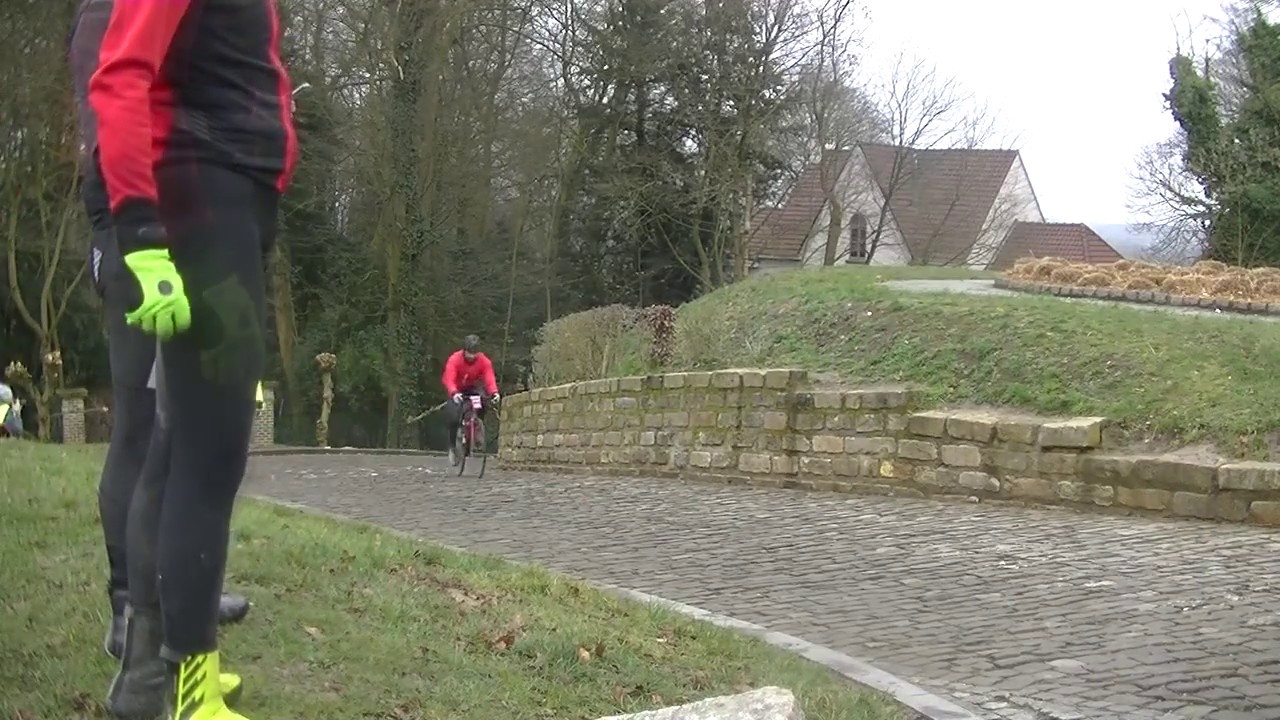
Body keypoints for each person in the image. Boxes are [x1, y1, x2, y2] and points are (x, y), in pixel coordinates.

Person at [81, 0, 297, 715]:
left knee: (184, 449)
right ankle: (189, 693)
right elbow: (119, 77)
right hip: (199, 196)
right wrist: (140, 234)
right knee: (208, 456)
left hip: (229, 200)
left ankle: (159, 677)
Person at [442, 335, 500, 463]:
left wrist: (494, 392)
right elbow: (449, 378)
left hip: (471, 388)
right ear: (464, 350)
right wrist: (454, 392)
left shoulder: (484, 361)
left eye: (474, 353)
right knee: (453, 415)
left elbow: (489, 377)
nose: (471, 356)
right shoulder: (455, 359)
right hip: (456, 389)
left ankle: (476, 427)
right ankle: (453, 447)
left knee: (481, 403)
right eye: (469, 353)